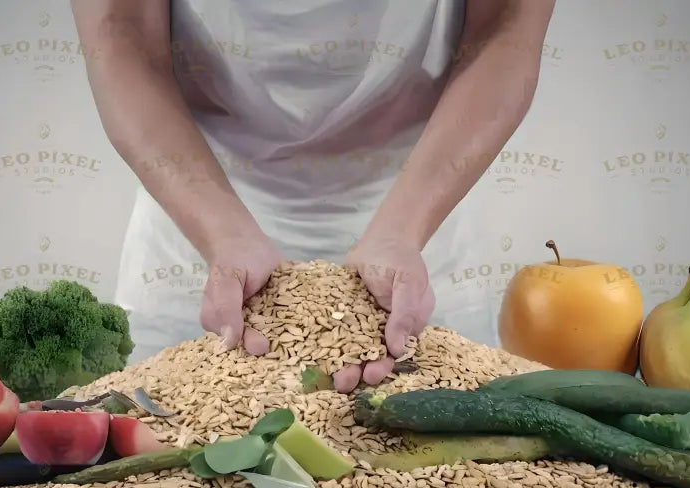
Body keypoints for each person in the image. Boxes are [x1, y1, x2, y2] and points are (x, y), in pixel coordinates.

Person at [71, 0, 555, 393]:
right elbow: (120, 35)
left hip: (417, 246)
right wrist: (223, 237)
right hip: (199, 245)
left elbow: (507, 29)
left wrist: (401, 234)